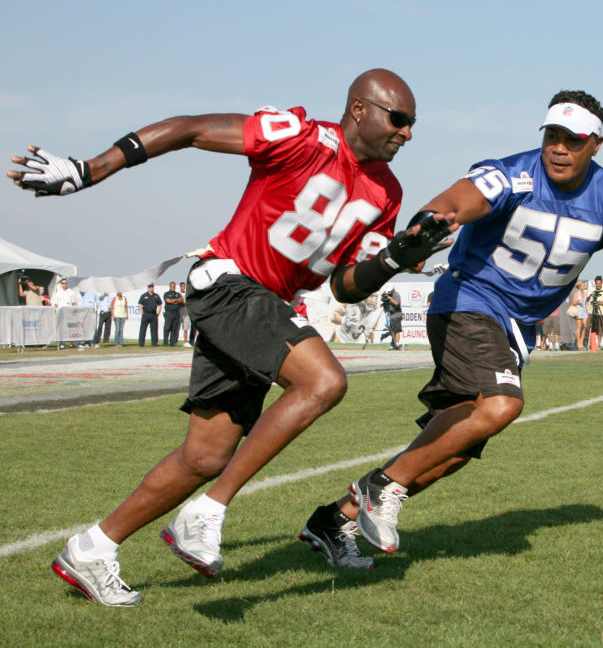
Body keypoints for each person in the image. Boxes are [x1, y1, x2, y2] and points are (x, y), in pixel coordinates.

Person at [9, 69, 447, 606]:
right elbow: (191, 129)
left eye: (412, 125)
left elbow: (345, 286)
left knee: (204, 456)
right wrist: (91, 168)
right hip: (229, 282)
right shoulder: (302, 136)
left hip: (264, 308)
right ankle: (209, 509)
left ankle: (93, 548)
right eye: (398, 120)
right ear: (359, 109)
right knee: (324, 382)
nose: (407, 133)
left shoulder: (387, 191)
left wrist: (393, 260)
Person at [300, 89, 603, 562]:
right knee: (502, 404)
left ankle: (333, 519)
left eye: (574, 139)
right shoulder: (516, 174)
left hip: (515, 327)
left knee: (453, 452)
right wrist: (434, 220)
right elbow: (460, 198)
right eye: (553, 135)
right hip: (470, 300)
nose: (560, 148)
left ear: (596, 144)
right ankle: (380, 487)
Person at [585, 275, 603, 347]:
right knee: (590, 327)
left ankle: (598, 344)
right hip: (591, 311)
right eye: (597, 283)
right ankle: (592, 344)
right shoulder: (592, 290)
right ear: (595, 283)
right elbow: (587, 300)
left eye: (599, 283)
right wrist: (591, 295)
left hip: (600, 312)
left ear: (602, 283)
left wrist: (598, 302)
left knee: (600, 328)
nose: (598, 285)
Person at [162, 281, 184, 347]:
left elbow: (181, 300)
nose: (173, 287)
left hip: (176, 313)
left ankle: (172, 343)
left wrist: (173, 301)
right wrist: (176, 301)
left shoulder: (178, 294)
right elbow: (168, 301)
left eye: (174, 286)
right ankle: (165, 343)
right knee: (167, 328)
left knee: (174, 329)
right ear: (170, 286)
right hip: (169, 313)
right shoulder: (166, 294)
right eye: (172, 286)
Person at [572, 280, 588, 349]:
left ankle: (581, 340)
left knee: (586, 326)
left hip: (584, 311)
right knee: (579, 327)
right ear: (579, 287)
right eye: (583, 286)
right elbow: (573, 303)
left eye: (585, 286)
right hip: (578, 311)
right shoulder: (576, 294)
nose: (584, 287)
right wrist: (578, 300)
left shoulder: (585, 294)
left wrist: (588, 311)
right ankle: (579, 342)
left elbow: (586, 303)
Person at [178, 282, 194, 347]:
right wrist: (182, 303)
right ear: (180, 287)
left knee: (186, 327)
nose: (183, 287)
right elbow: (180, 303)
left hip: (186, 313)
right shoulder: (178, 294)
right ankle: (175, 341)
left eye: (184, 286)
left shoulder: (187, 294)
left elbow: (189, 303)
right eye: (182, 286)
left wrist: (183, 303)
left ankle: (185, 341)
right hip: (179, 312)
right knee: (177, 327)